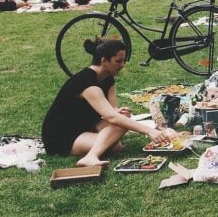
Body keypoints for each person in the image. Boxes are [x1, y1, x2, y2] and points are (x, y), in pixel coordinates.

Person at [42, 38, 174, 167]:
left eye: (123, 60)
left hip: (85, 127)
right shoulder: (88, 84)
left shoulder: (108, 80)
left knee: (119, 133)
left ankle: (94, 149)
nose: (122, 65)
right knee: (114, 144)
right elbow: (112, 117)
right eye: (118, 61)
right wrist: (149, 131)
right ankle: (90, 157)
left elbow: (112, 112)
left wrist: (118, 112)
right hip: (61, 136)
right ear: (104, 61)